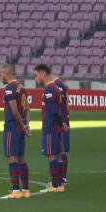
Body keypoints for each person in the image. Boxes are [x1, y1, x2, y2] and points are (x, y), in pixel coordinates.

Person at [33, 63, 70, 194]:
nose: (35, 78)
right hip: (55, 127)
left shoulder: (49, 89)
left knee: (50, 155)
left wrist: (60, 123)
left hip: (50, 128)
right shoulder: (54, 88)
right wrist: (63, 123)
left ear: (43, 74)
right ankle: (59, 183)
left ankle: (55, 184)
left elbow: (54, 111)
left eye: (36, 75)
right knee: (58, 155)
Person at [0, 64, 31, 200]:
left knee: (11, 158)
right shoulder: (21, 87)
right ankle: (26, 190)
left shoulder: (9, 88)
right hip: (21, 127)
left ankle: (16, 190)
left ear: (6, 73)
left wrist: (22, 125)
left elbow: (14, 110)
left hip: (12, 127)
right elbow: (28, 108)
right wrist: (26, 124)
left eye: (0, 74)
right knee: (21, 158)